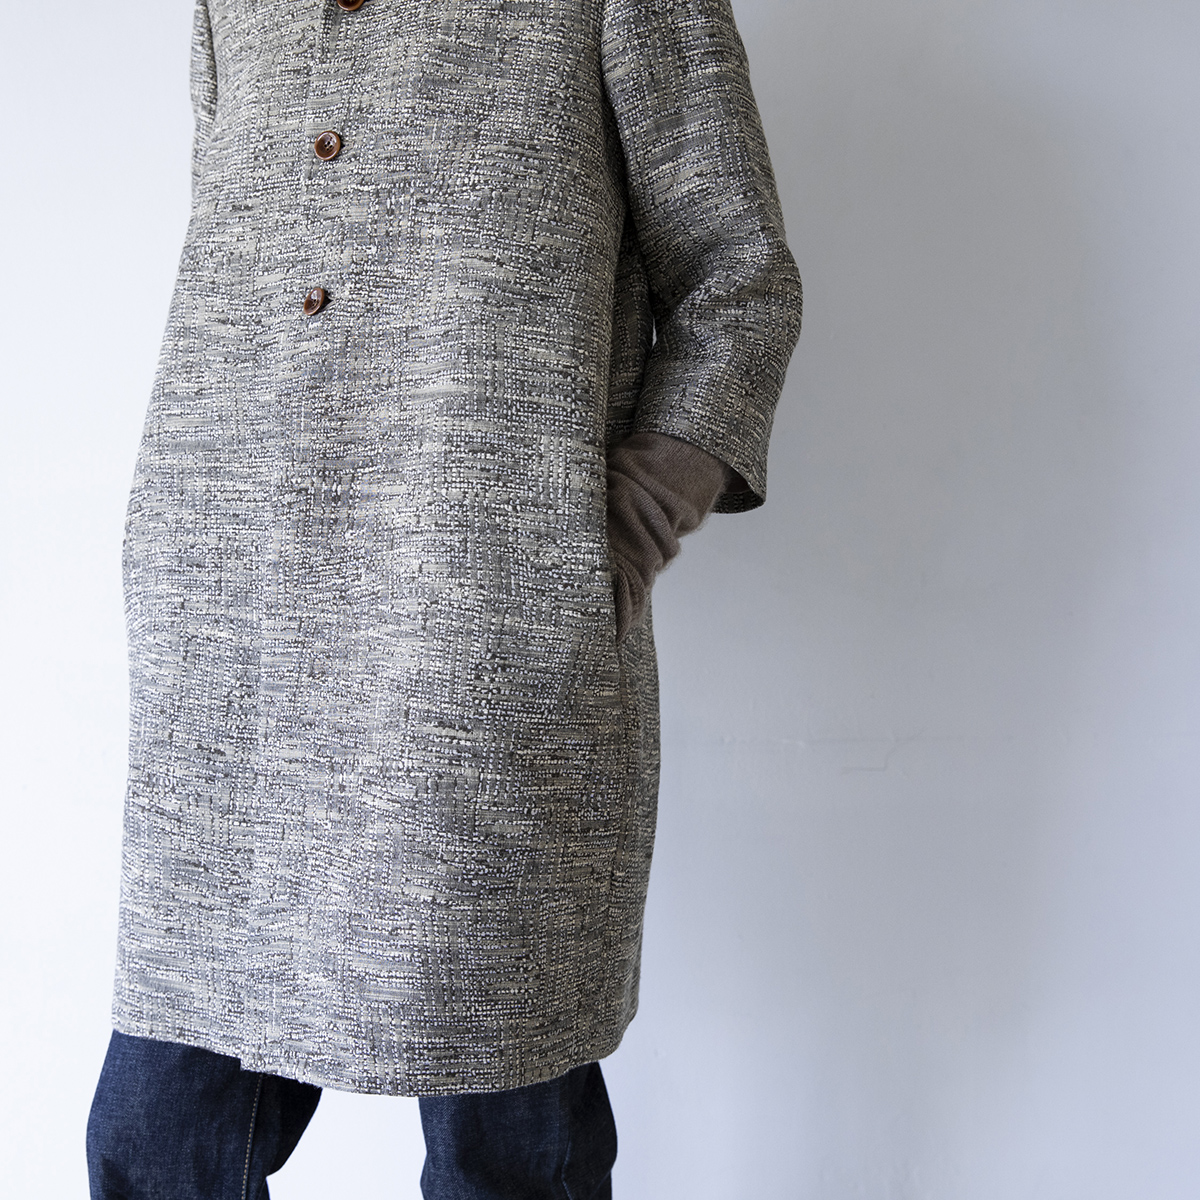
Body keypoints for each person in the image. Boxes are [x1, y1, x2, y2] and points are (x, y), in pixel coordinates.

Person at [86, 0, 803, 1195]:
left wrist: (614, 531)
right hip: (228, 650)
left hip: (480, 630)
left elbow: (739, 281)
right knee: (158, 1137)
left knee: (501, 1106)